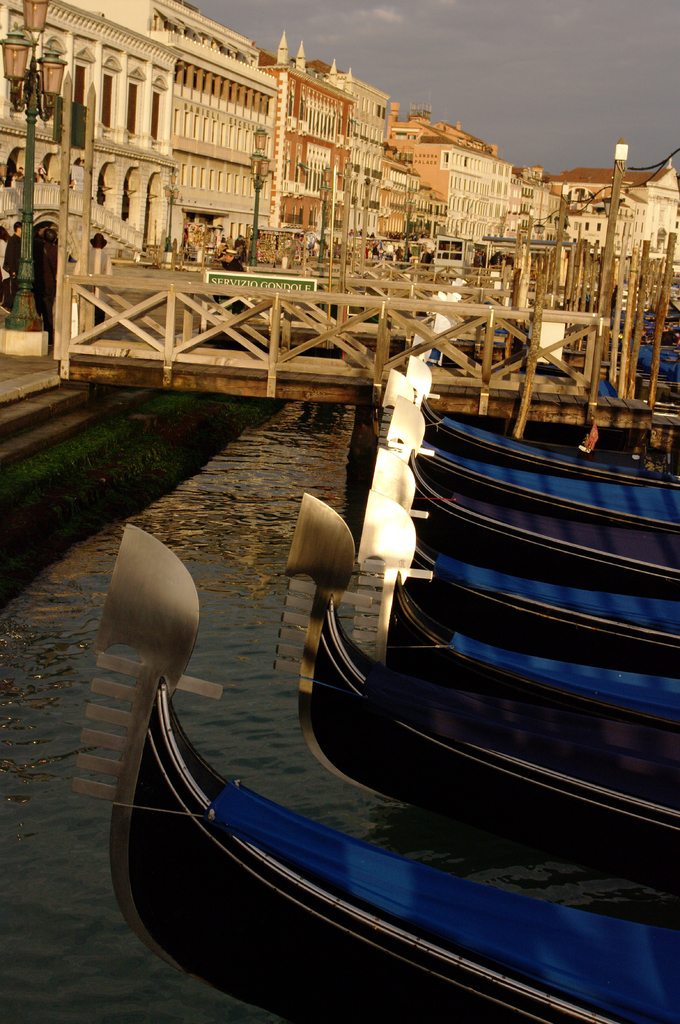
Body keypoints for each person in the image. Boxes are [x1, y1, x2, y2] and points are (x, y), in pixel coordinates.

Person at [74, 232, 113, 325]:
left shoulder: (85, 255)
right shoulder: (106, 257)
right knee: (99, 319)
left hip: (85, 290)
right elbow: (109, 276)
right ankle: (97, 333)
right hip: (100, 292)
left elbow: (76, 272)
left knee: (84, 316)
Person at [39, 227, 58, 346]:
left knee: (37, 310)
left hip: (38, 283)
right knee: (48, 312)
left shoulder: (38, 248)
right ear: (55, 239)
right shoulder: (57, 251)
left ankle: (37, 334)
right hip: (50, 284)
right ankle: (49, 338)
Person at [3, 220, 21, 311]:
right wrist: (12, 270)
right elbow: (10, 256)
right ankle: (7, 304)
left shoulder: (17, 240)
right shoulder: (13, 240)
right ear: (18, 229)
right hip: (15, 269)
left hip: (18, 269)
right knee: (15, 289)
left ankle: (11, 306)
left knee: (17, 289)